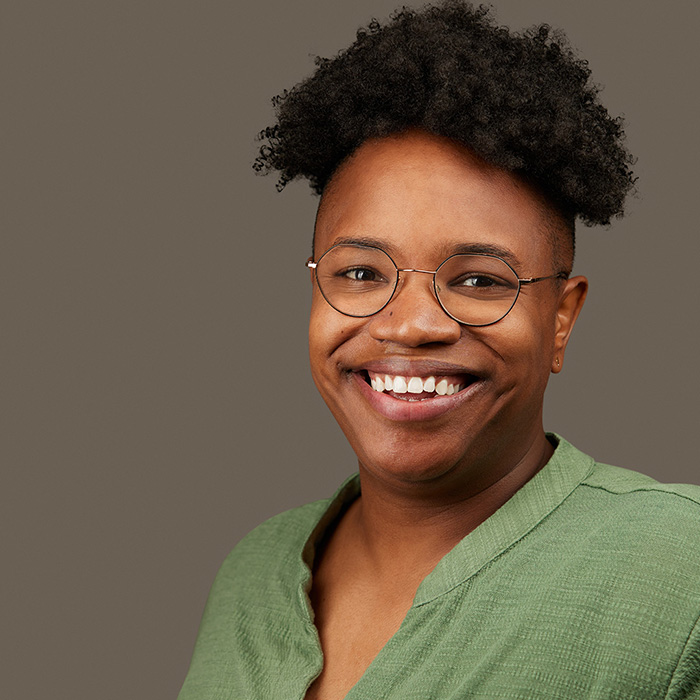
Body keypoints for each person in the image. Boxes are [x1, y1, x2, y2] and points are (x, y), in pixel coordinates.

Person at [178, 2, 700, 698]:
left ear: (562, 319)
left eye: (480, 279)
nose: (412, 325)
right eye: (360, 273)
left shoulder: (677, 575)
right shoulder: (255, 573)